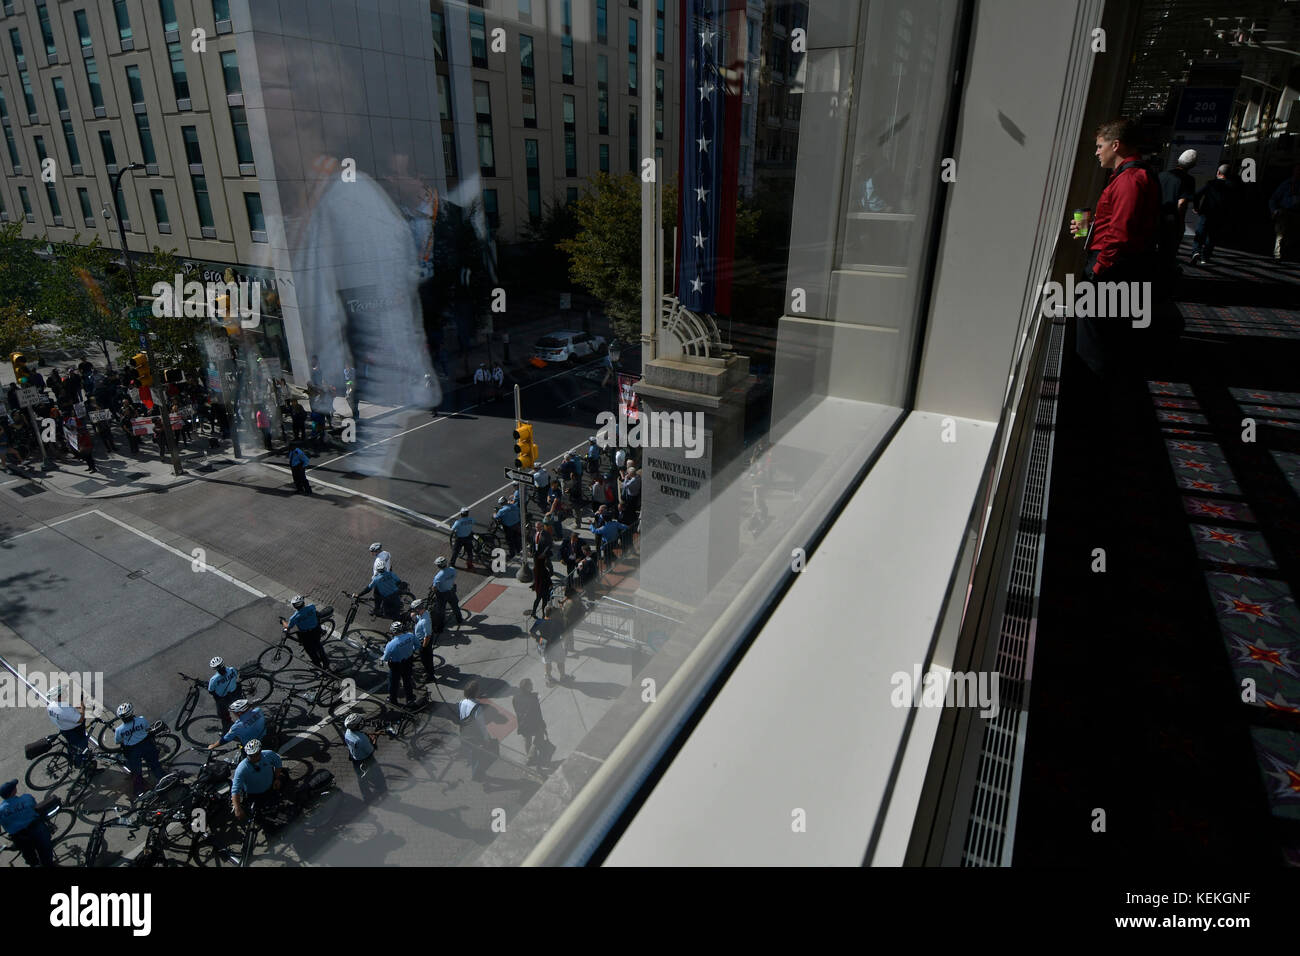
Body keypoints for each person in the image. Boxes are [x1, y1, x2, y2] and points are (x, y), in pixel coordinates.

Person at [1069, 117, 1162, 379]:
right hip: (1121, 264)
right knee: (1106, 331)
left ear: (1116, 145)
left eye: (1100, 146)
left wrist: (1097, 269)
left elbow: (1120, 234)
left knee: (1094, 333)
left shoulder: (1129, 180)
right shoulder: (1135, 176)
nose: (1097, 152)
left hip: (1112, 266)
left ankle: (1093, 387)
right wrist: (1092, 228)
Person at [113, 702, 166, 795]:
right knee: (155, 765)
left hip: (132, 751)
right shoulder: (141, 720)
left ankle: (140, 790)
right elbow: (147, 728)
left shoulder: (119, 730)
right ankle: (165, 781)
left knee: (136, 772)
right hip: (147, 745)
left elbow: (118, 741)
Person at [1156, 149, 1196, 272]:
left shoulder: (1161, 175)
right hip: (1171, 220)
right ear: (1193, 165)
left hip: (1156, 217)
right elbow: (1182, 203)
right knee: (1168, 251)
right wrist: (1180, 223)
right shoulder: (1188, 180)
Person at [0, 779, 55, 866]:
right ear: (13, 791)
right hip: (36, 830)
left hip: (19, 837)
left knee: (30, 856)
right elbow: (36, 808)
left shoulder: (1, 810)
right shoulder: (27, 798)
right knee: (45, 851)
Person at [1191, 164, 1235, 264]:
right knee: (1212, 236)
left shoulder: (1210, 183)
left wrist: (1196, 207)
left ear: (1218, 172)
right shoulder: (1232, 186)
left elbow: (1197, 195)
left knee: (1200, 233)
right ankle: (1205, 257)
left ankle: (1196, 251)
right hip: (1220, 215)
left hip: (1206, 213)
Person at [230, 739, 283, 822]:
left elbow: (278, 762)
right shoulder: (242, 768)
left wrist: (277, 778)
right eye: (251, 755)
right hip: (253, 795)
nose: (253, 757)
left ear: (260, 751)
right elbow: (235, 789)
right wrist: (238, 809)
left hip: (270, 788)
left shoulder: (268, 755)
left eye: (256, 754)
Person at [457, 679, 493, 782]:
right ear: (476, 692)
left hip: (464, 733)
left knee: (471, 753)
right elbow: (482, 726)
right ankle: (476, 775)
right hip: (475, 736)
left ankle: (473, 767)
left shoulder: (462, 702)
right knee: (478, 756)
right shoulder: (477, 708)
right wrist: (487, 739)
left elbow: (462, 717)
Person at [46, 687, 90, 767]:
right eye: (63, 692)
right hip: (75, 730)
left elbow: (69, 713)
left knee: (72, 745)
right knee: (82, 747)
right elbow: (80, 720)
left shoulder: (51, 705)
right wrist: (82, 706)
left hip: (63, 729)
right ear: (59, 696)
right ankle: (83, 765)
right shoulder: (63, 710)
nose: (66, 693)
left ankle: (72, 757)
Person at [379, 620, 420, 706]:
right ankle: (410, 698)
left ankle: (393, 700)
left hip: (396, 665)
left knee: (394, 683)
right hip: (408, 661)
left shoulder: (390, 645)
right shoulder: (410, 636)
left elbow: (385, 658)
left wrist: (382, 659)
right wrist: (410, 651)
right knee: (407, 680)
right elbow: (417, 645)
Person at [283, 595, 329, 668]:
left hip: (306, 634)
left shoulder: (294, 618)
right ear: (303, 603)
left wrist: (283, 621)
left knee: (310, 651)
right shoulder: (311, 607)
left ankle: (318, 665)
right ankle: (326, 663)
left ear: (294, 606)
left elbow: (288, 627)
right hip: (316, 630)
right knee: (319, 646)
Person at [1268, 163, 1300, 261]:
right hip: (1284, 212)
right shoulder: (1286, 184)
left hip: (1297, 213)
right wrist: (1274, 211)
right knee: (1280, 235)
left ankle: (1285, 254)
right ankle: (1278, 255)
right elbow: (1273, 199)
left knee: (1291, 237)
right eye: (1297, 170)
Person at [512, 678, 547, 765]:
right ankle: (531, 755)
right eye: (531, 684)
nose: (532, 685)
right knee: (539, 736)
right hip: (532, 723)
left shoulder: (515, 697)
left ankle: (529, 759)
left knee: (527, 740)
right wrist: (542, 723)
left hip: (522, 723)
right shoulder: (533, 698)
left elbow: (516, 709)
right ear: (527, 687)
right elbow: (537, 713)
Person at [531, 604, 567, 686]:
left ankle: (548, 677)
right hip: (556, 643)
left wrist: (538, 638)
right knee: (560, 661)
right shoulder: (557, 623)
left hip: (543, 643)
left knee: (547, 661)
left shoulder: (539, 622)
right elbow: (564, 633)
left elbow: (531, 632)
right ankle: (562, 676)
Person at [430, 555, 463, 633]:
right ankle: (459, 619)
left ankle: (440, 628)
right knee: (455, 606)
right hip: (451, 591)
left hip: (442, 594)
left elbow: (435, 588)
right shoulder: (452, 570)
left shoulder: (438, 577)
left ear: (438, 566)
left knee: (441, 611)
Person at [207, 656, 241, 729]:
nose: (222, 670)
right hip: (235, 692)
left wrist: (218, 700)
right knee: (239, 707)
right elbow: (236, 676)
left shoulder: (213, 680)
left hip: (224, 697)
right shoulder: (232, 670)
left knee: (222, 712)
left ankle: (227, 721)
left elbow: (211, 691)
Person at [409, 597, 437, 679]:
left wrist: (423, 647)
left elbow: (427, 635)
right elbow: (418, 620)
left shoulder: (425, 621)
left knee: (426, 659)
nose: (413, 611)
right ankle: (428, 671)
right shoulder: (423, 613)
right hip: (421, 640)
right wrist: (414, 617)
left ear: (418, 609)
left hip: (424, 642)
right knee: (425, 658)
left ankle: (430, 675)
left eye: (414, 610)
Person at [495, 495, 522, 559]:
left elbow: (496, 517)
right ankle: (519, 550)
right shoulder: (514, 506)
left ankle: (512, 554)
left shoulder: (502, 511)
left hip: (509, 527)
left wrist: (494, 514)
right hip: (517, 524)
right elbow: (518, 511)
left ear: (502, 503)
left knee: (510, 541)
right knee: (517, 539)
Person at [559, 584, 583, 655]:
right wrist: (563, 601)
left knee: (566, 636)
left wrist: (561, 608)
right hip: (573, 620)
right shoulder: (576, 598)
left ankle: (565, 650)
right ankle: (571, 647)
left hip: (568, 621)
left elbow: (565, 613)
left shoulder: (570, 603)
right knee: (570, 634)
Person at [450, 506, 476, 571]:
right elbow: (474, 522)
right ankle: (469, 565)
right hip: (468, 537)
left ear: (461, 514)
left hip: (460, 539)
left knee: (456, 552)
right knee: (470, 552)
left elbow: (453, 529)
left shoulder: (458, 522)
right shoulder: (471, 519)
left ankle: (452, 564)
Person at [530, 550, 553, 619]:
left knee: (537, 599)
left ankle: (533, 612)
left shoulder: (535, 569)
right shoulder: (544, 570)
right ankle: (543, 614)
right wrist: (550, 584)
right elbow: (547, 579)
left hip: (538, 588)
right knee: (544, 601)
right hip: (544, 588)